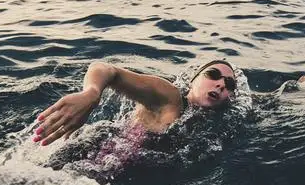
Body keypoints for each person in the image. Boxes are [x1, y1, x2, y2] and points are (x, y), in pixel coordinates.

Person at [33, 59, 239, 147]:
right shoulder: (170, 97)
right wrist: (92, 93)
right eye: (213, 75)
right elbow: (107, 69)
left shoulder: (209, 121)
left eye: (228, 84)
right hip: (95, 155)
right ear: (194, 80)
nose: (221, 84)